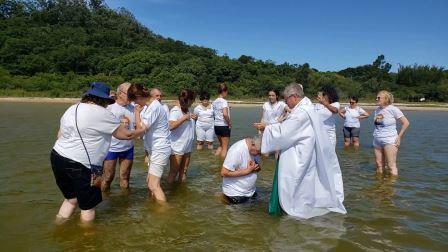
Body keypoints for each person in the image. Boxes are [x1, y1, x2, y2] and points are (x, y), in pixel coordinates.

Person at [50, 82, 145, 223]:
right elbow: (126, 135)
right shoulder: (102, 113)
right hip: (81, 164)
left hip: (57, 157)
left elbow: (59, 135)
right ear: (103, 100)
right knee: (88, 207)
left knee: (71, 199)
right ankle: (88, 240)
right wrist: (142, 130)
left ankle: (59, 226)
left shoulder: (72, 108)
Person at [254, 83, 346, 219]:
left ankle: (288, 207)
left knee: (293, 180)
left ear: (295, 96)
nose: (285, 101)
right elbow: (288, 127)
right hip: (304, 149)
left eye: (286, 98)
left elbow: (285, 133)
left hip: (298, 153)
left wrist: (266, 129)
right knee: (304, 180)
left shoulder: (302, 112)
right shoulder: (306, 106)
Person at [128, 84, 171, 202]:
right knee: (150, 183)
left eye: (135, 100)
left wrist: (136, 113)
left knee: (153, 185)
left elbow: (141, 129)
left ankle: (165, 212)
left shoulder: (153, 107)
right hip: (155, 148)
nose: (136, 104)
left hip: (160, 149)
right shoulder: (151, 106)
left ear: (139, 96)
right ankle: (153, 208)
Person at [102, 83, 136, 191]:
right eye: (129, 94)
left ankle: (124, 205)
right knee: (108, 178)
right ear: (120, 94)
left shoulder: (134, 108)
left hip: (128, 148)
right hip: (111, 148)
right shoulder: (109, 108)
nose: (132, 96)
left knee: (125, 178)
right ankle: (103, 202)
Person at [373, 90, 410, 176]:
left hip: (389, 140)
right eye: (376, 97)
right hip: (377, 140)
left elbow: (406, 123)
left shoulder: (393, 109)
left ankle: (391, 187)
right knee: (379, 165)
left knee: (391, 166)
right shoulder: (377, 110)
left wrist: (399, 137)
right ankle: (380, 186)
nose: (376, 99)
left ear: (386, 99)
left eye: (379, 98)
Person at [220, 136, 262, 204]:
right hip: (235, 194)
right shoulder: (237, 151)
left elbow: (257, 167)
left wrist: (256, 168)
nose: (259, 155)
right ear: (253, 145)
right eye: (259, 152)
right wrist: (247, 171)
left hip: (251, 192)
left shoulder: (256, 148)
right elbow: (223, 173)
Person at [167, 90, 197, 183]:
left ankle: (182, 192)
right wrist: (184, 118)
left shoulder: (187, 109)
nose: (193, 102)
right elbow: (170, 126)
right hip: (177, 146)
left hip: (187, 145)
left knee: (184, 171)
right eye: (192, 100)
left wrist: (193, 118)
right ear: (188, 100)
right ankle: (170, 193)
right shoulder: (175, 110)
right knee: (174, 172)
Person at [213, 83, 231, 159]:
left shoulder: (214, 102)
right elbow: (225, 114)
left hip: (216, 126)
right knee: (225, 148)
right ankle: (223, 165)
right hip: (223, 125)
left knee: (221, 145)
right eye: (227, 92)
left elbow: (217, 113)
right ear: (224, 91)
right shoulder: (224, 101)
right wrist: (229, 123)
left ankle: (215, 160)